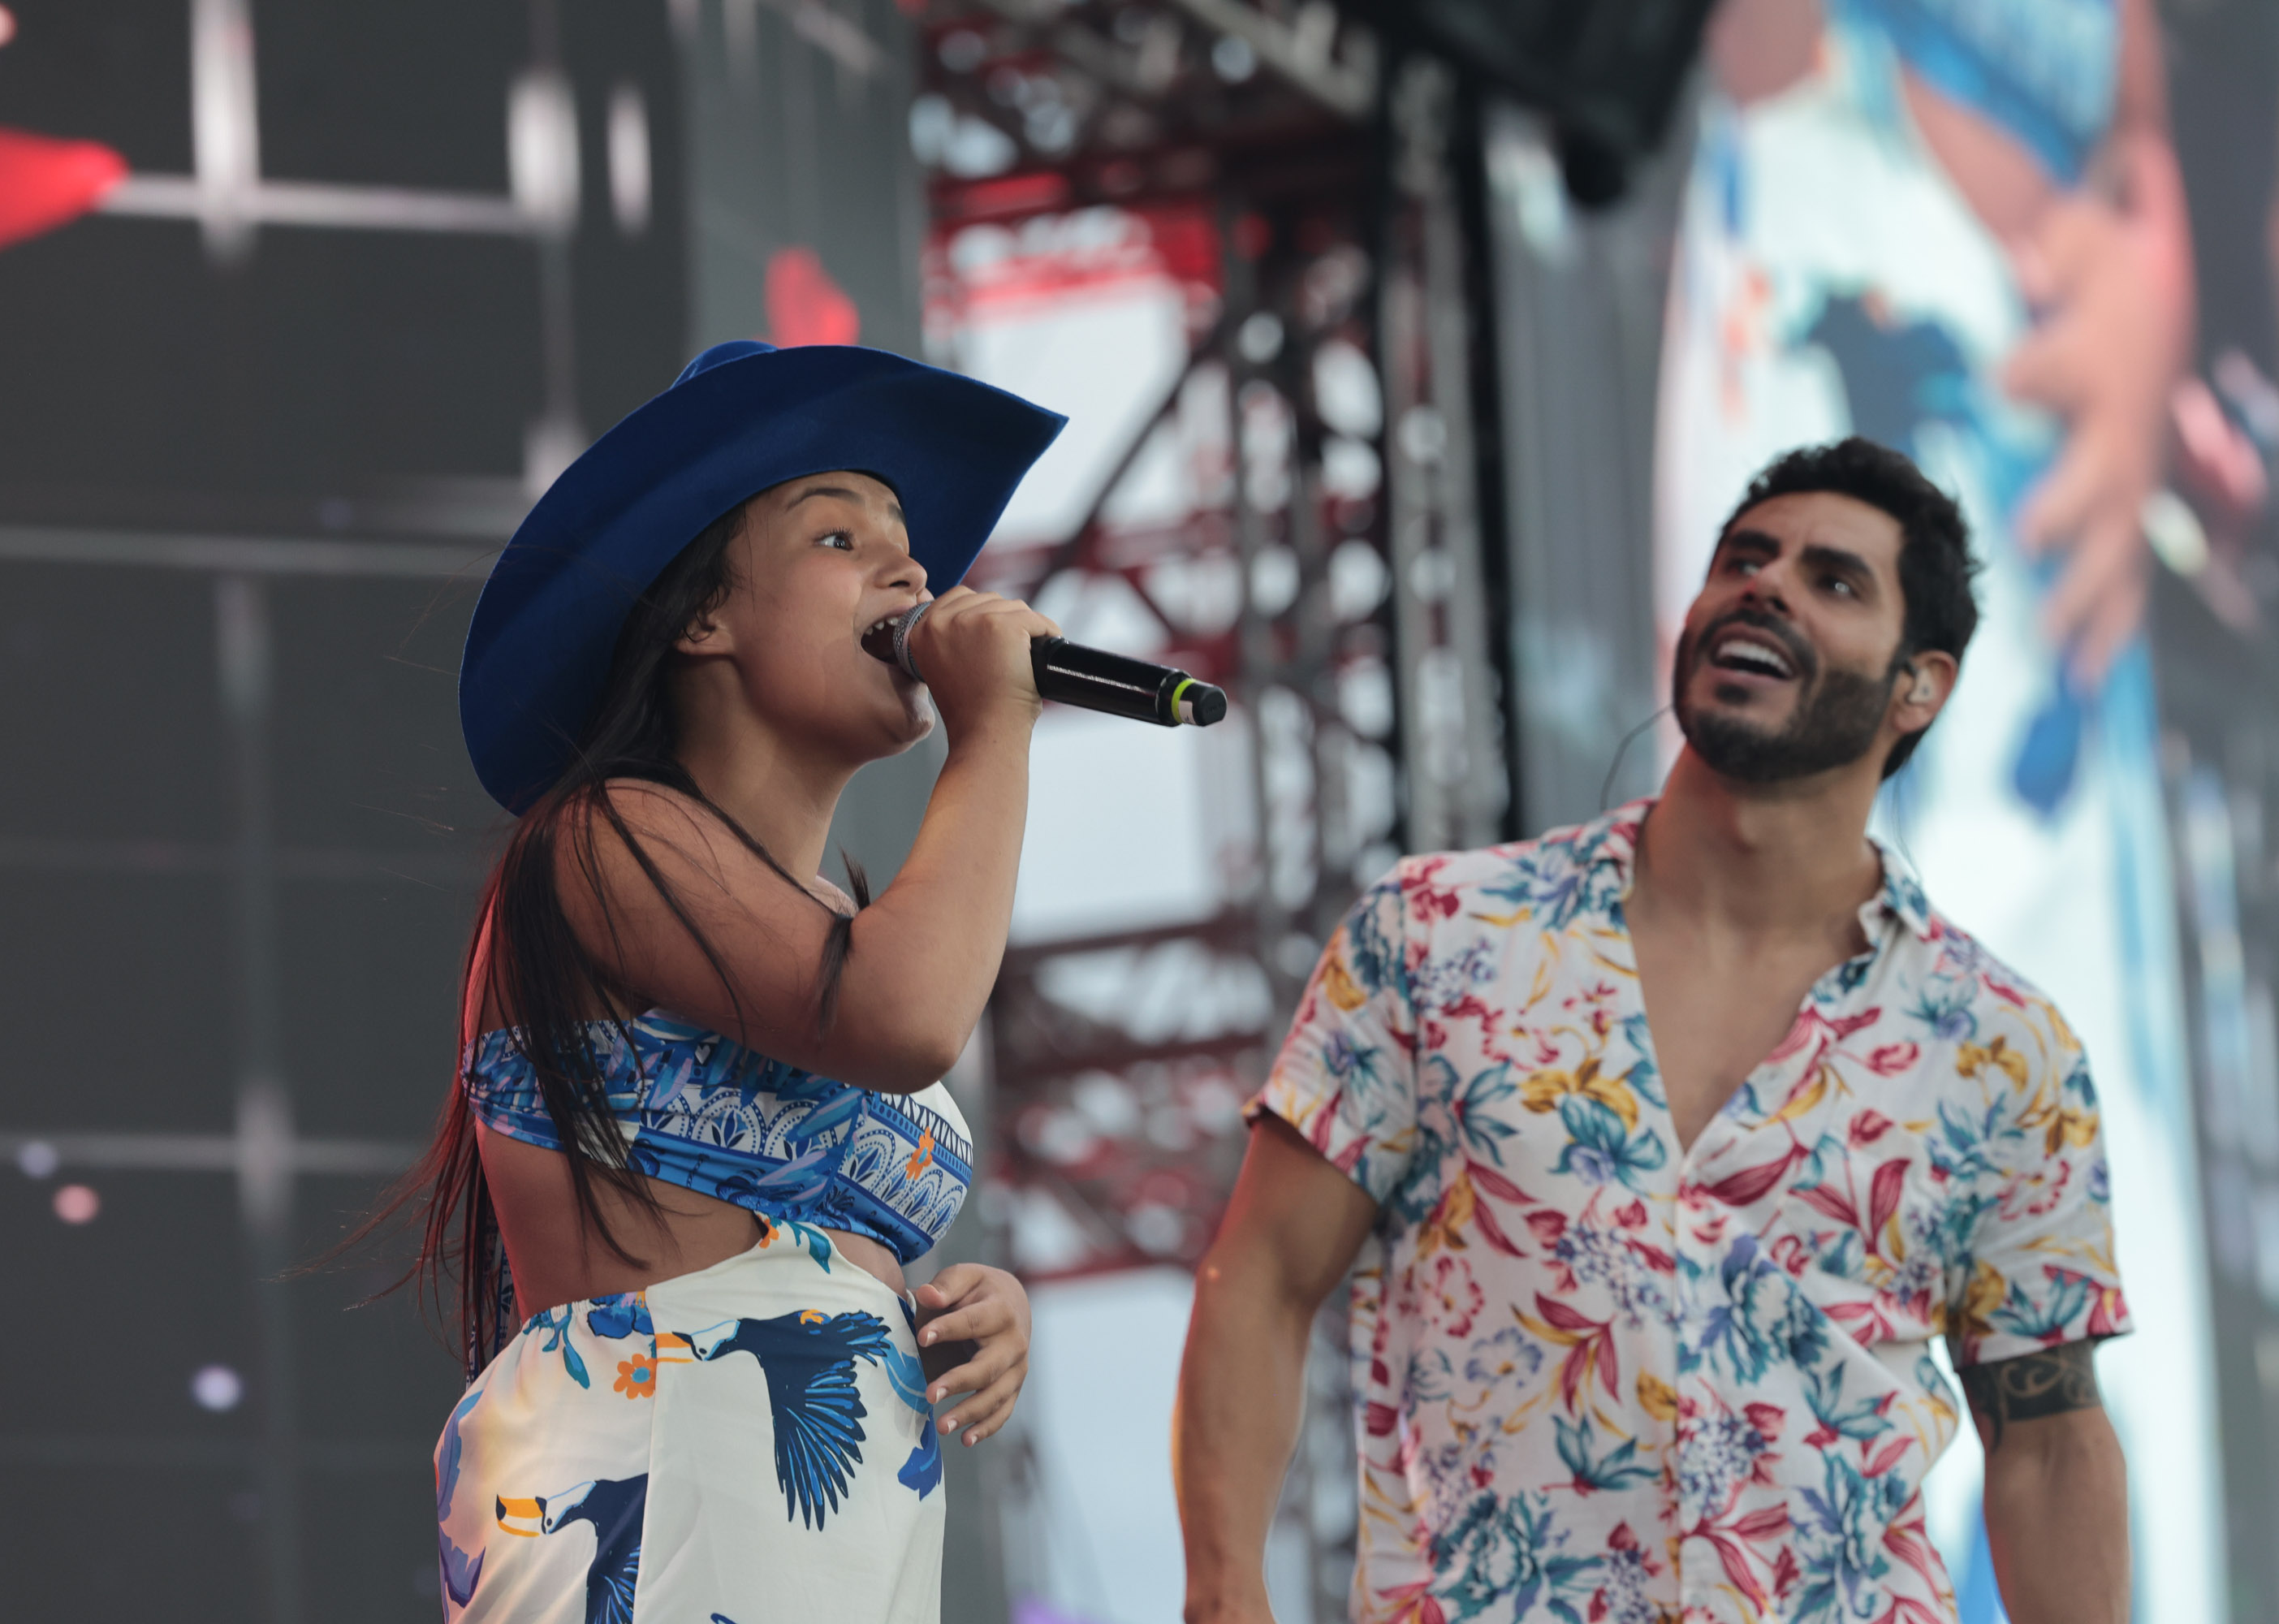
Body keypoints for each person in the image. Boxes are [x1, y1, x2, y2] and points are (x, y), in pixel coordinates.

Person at [1176, 439, 2131, 1622]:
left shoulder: (2001, 1052)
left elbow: (2046, 1442)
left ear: (1917, 686)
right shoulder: (1438, 934)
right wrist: (1224, 1597)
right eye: (1745, 557)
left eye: (1834, 580)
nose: (1766, 585)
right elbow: (1260, 1278)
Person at [1654, 2, 2216, 1612]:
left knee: (2082, 1249)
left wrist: (2150, 246)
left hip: (2046, 517)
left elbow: (2132, 95)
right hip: (1842, 293)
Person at [395, 339, 1065, 1622]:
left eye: (910, 542)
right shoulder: (606, 839)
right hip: (658, 1483)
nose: (913, 571)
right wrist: (996, 730)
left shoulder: (844, 915)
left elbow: (805, 1228)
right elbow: (904, 1018)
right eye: (837, 539)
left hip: (833, 1531)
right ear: (701, 614)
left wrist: (951, 1304)